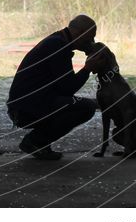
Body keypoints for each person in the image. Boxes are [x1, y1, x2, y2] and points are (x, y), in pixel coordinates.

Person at [7, 14, 98, 160]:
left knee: (72, 103)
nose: (92, 42)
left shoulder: (57, 41)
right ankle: (35, 141)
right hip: (26, 109)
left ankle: (40, 142)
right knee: (86, 107)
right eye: (90, 37)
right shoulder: (58, 46)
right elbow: (68, 88)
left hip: (27, 105)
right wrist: (87, 69)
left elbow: (63, 87)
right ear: (78, 33)